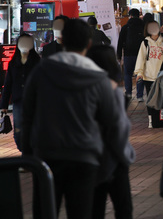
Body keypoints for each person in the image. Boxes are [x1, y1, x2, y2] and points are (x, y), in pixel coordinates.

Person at [22, 20, 134, 219]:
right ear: (89, 44)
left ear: (61, 40)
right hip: (85, 158)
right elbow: (111, 123)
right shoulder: (99, 79)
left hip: (46, 156)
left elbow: (27, 115)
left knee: (45, 211)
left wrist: (29, 154)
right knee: (81, 213)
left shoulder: (41, 71)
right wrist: (120, 158)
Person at [87, 45, 135, 219]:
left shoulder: (83, 88)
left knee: (95, 208)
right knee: (123, 208)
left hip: (90, 158)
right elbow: (118, 128)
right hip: (113, 159)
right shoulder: (110, 88)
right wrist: (126, 156)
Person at [0, 34, 40, 151]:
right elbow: (7, 85)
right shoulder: (13, 64)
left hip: (34, 102)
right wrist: (4, 106)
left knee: (32, 129)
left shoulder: (37, 62)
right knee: (18, 133)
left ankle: (28, 154)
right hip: (18, 102)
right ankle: (24, 151)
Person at [134, 21, 163, 125]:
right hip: (148, 77)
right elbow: (141, 58)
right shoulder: (145, 43)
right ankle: (151, 120)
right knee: (150, 99)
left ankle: (161, 120)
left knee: (162, 99)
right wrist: (139, 73)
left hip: (162, 76)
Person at [117, 8, 145, 104]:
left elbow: (120, 42)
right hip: (140, 55)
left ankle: (128, 93)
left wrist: (119, 55)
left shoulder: (125, 27)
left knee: (128, 74)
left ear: (130, 16)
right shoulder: (143, 26)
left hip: (128, 54)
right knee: (139, 74)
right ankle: (140, 95)